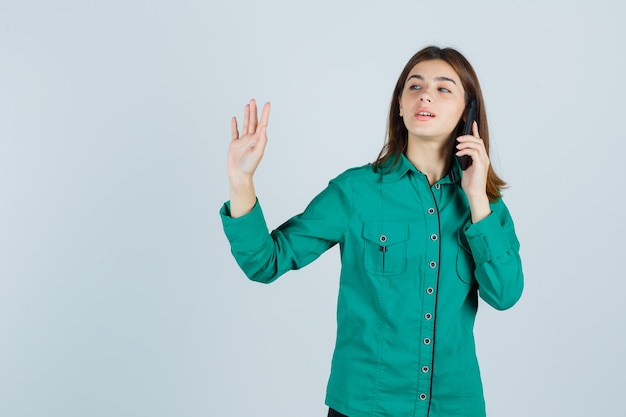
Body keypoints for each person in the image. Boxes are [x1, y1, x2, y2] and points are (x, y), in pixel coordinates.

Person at [220, 45, 524, 417]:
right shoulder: (355, 192)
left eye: (444, 88)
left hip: (454, 406)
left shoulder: (486, 207)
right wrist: (241, 180)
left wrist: (476, 197)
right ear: (399, 105)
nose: (425, 94)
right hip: (365, 406)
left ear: (468, 112)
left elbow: (505, 294)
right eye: (414, 86)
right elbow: (264, 262)